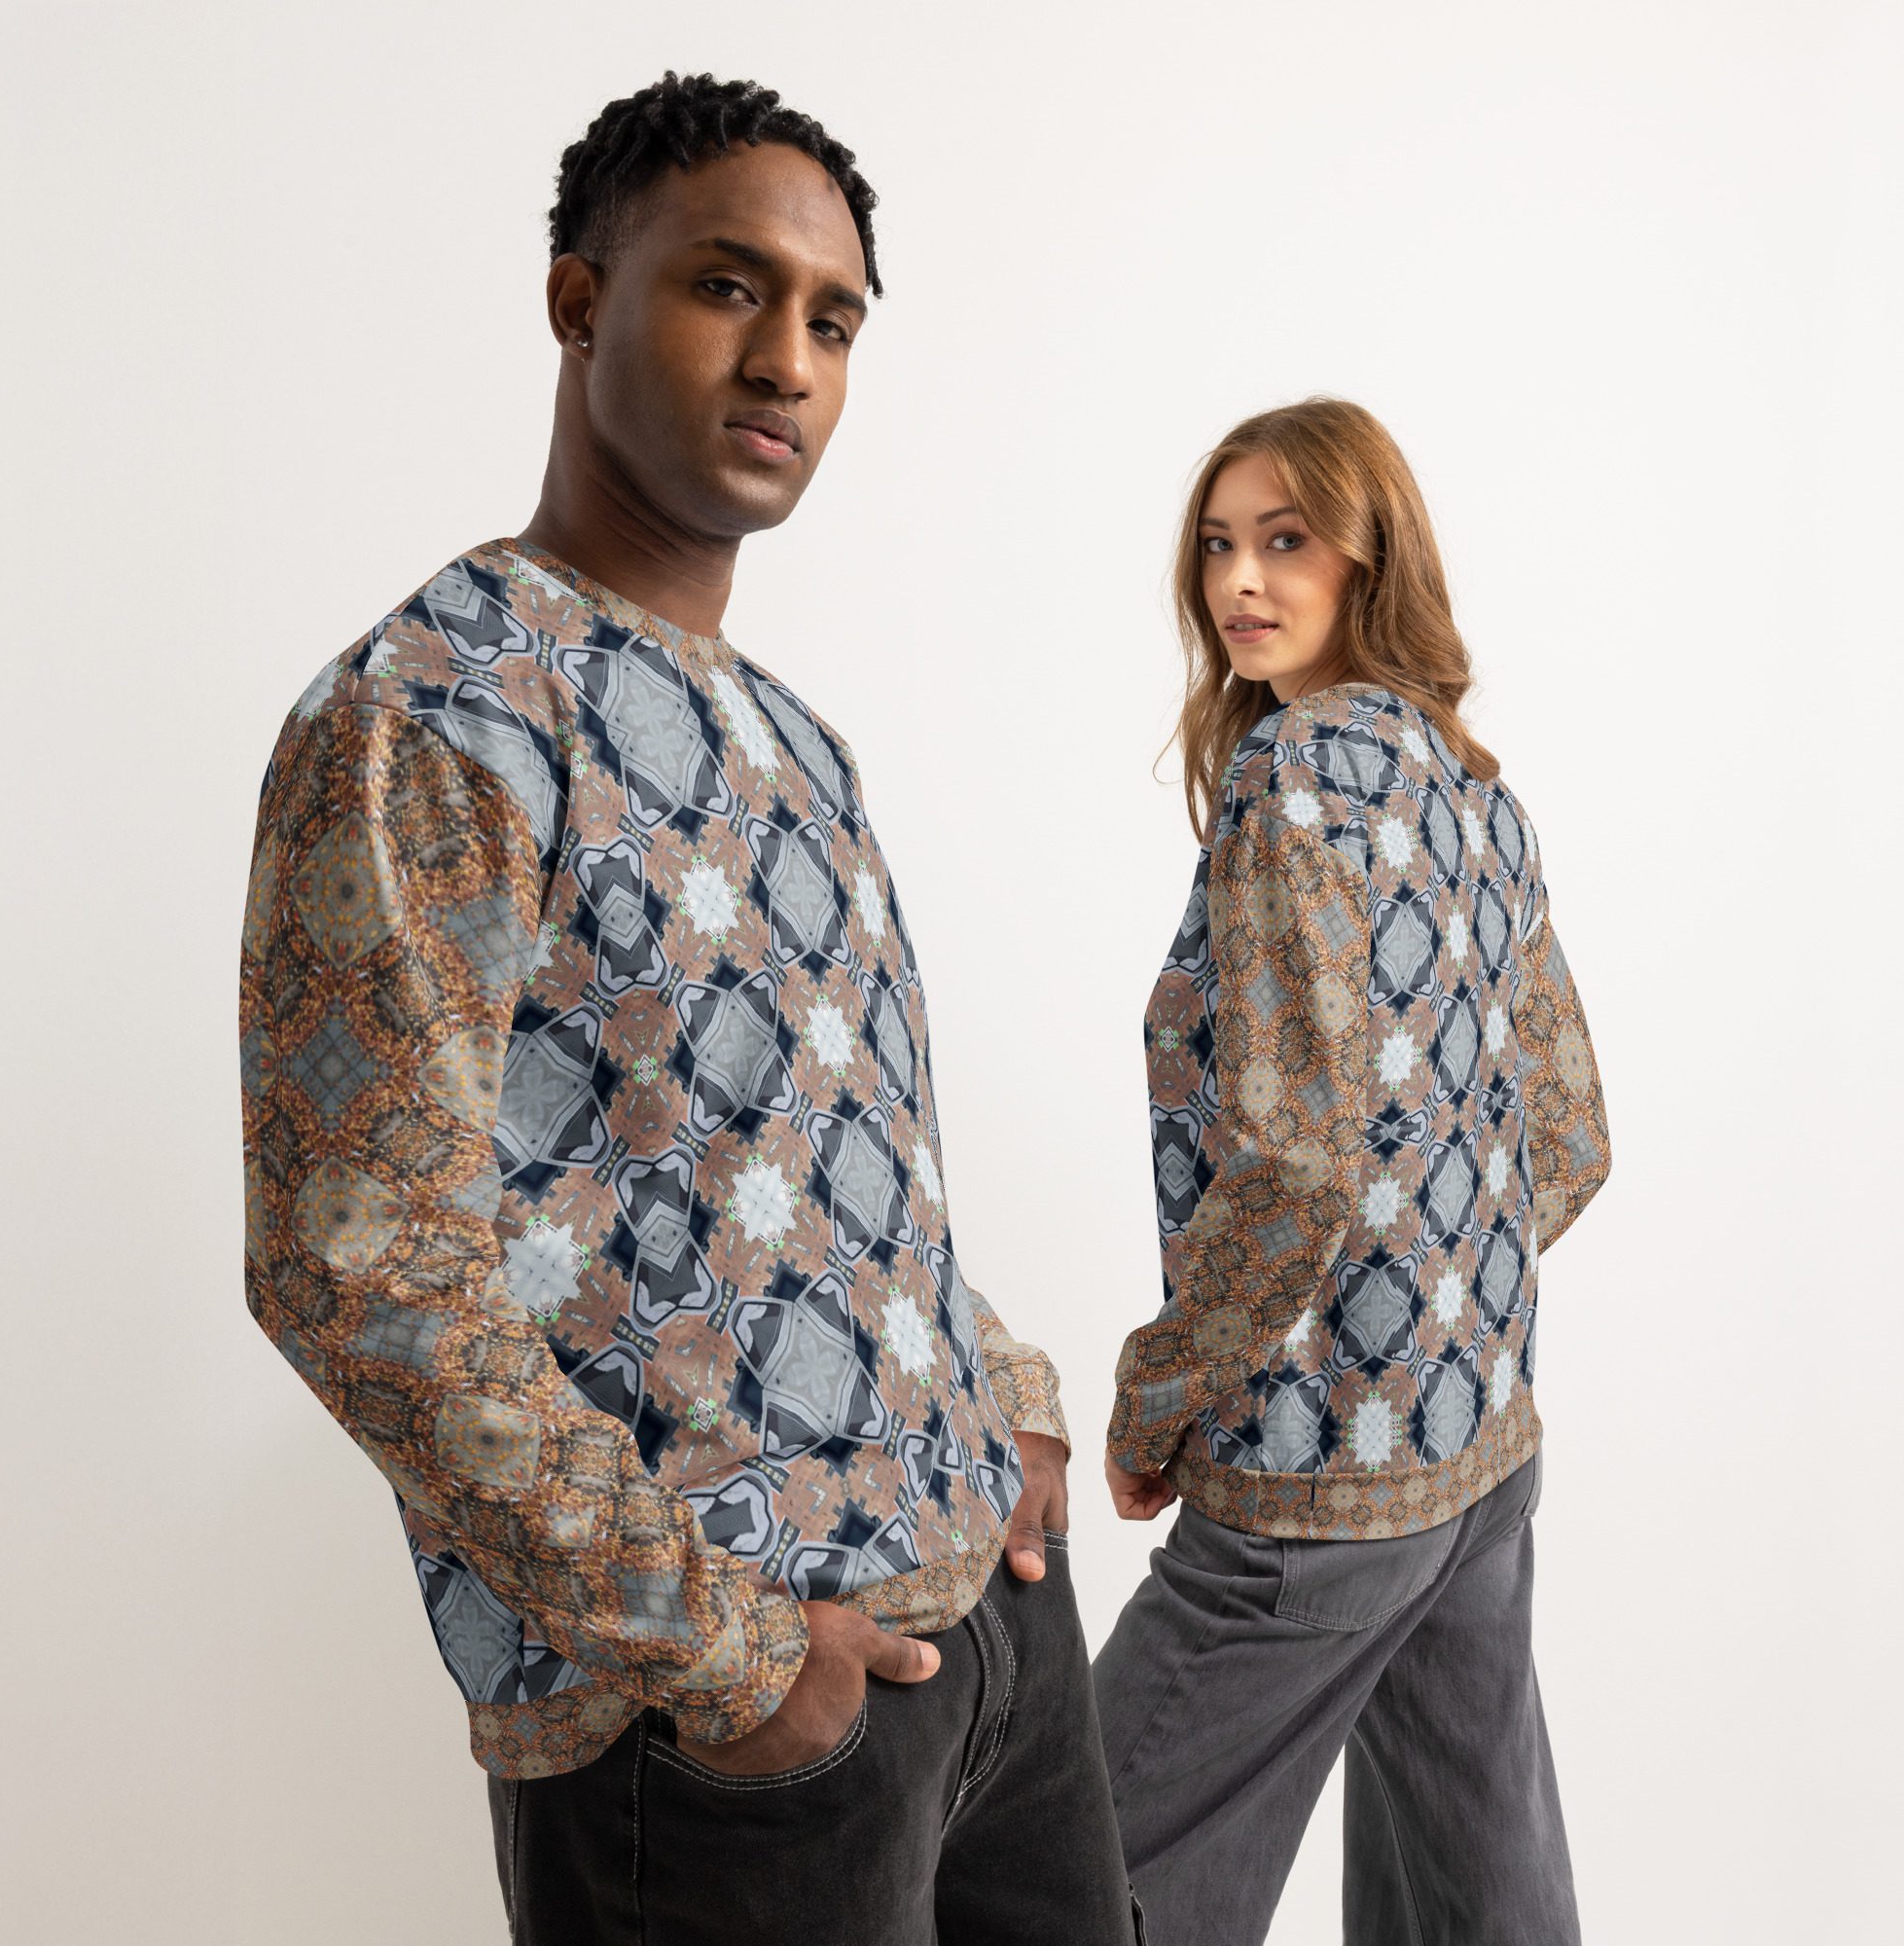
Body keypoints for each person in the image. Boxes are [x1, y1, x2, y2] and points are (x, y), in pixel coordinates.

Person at [237, 70, 1139, 1946]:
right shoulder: (437, 713)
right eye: (729, 287)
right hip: (733, 1719)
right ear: (580, 302)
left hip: (995, 1643)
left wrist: (1012, 1405)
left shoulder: (800, 738)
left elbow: (820, 1172)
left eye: (834, 321)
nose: (788, 361)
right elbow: (355, 1267)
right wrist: (724, 1652)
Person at [1096, 398, 1611, 1943]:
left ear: (1371, 557)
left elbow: (1294, 1167)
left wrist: (1160, 1394)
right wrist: (1438, 1297)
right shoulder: (1471, 784)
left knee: (1054, 1875)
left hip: (1314, 1479)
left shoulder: (1292, 780)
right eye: (1217, 546)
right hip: (1481, 1444)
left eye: (1286, 540)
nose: (1240, 582)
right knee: (1477, 1886)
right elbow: (1570, 1131)